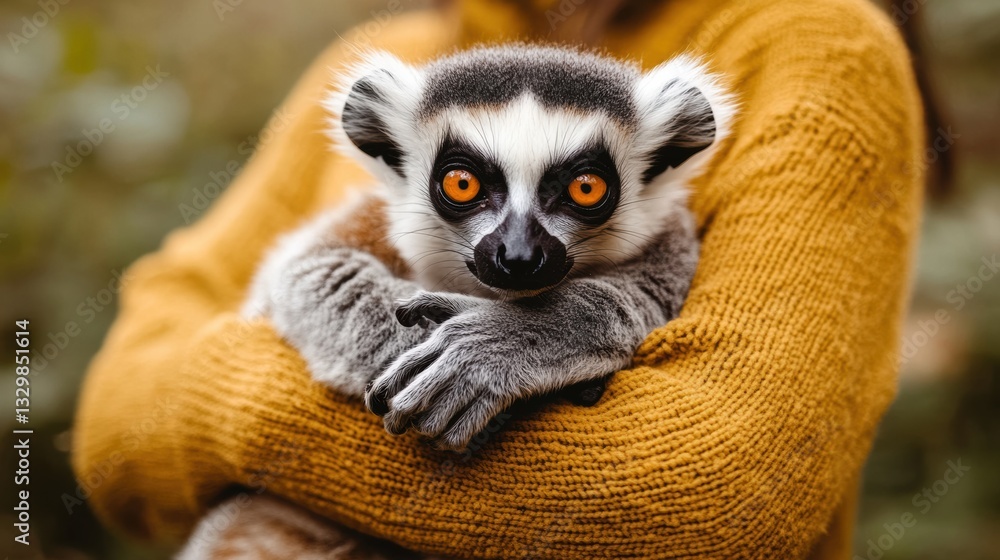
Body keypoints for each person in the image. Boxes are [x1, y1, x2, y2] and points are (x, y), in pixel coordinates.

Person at [72, 0, 925, 557]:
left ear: (663, 161)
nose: (517, 244)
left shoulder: (811, 43)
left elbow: (716, 498)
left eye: (580, 191)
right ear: (394, 157)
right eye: (468, 189)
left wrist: (534, 340)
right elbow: (119, 424)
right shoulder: (391, 60)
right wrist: (378, 371)